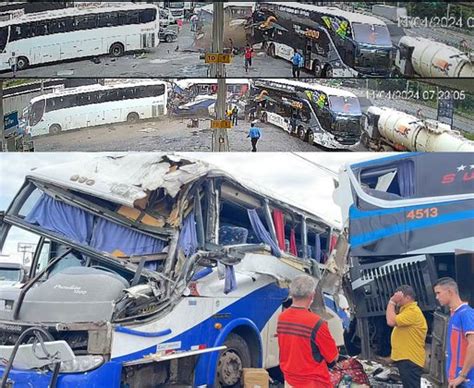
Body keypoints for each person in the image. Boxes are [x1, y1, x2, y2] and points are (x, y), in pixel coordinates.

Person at [277, 275, 338, 388]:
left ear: (292, 293)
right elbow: (332, 357)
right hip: (314, 382)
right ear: (312, 295)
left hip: (290, 380)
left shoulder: (282, 318)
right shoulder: (317, 323)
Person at [434, 277, 474, 388]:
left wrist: (462, 375)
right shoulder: (455, 314)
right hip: (457, 381)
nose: (437, 297)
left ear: (450, 292)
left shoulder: (466, 314)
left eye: (438, 293)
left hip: (466, 381)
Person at [386, 285, 428, 388]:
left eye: (400, 297)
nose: (397, 299)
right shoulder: (406, 311)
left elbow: (391, 321)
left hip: (410, 359)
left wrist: (392, 302)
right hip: (406, 358)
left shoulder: (412, 311)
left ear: (408, 298)